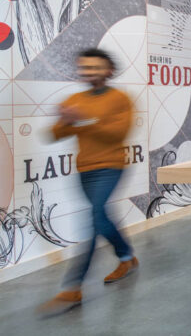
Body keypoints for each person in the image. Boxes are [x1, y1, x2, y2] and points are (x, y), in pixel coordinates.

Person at [38, 49, 138, 317]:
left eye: (95, 67)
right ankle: (127, 256)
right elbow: (55, 135)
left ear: (108, 71)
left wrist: (82, 119)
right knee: (102, 217)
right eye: (85, 68)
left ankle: (73, 287)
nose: (89, 72)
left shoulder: (120, 99)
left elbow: (117, 134)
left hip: (112, 167)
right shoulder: (75, 100)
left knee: (93, 219)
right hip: (84, 170)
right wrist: (66, 119)